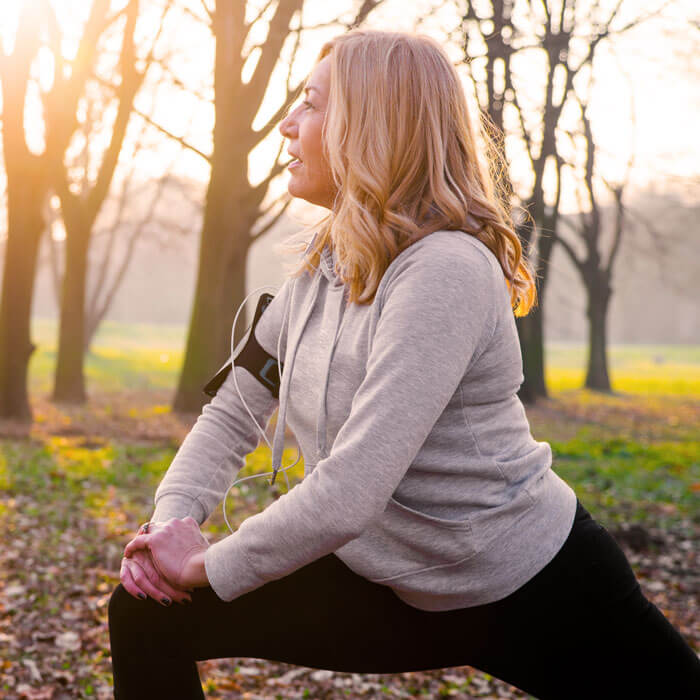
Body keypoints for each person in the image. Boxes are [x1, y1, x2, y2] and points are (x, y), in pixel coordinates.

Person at [108, 30, 700, 699]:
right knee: (145, 613)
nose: (286, 125)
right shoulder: (318, 275)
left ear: (373, 124)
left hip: (527, 582)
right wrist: (169, 529)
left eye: (309, 104)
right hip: (386, 583)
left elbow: (350, 489)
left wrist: (210, 566)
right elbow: (228, 415)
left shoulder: (446, 270)